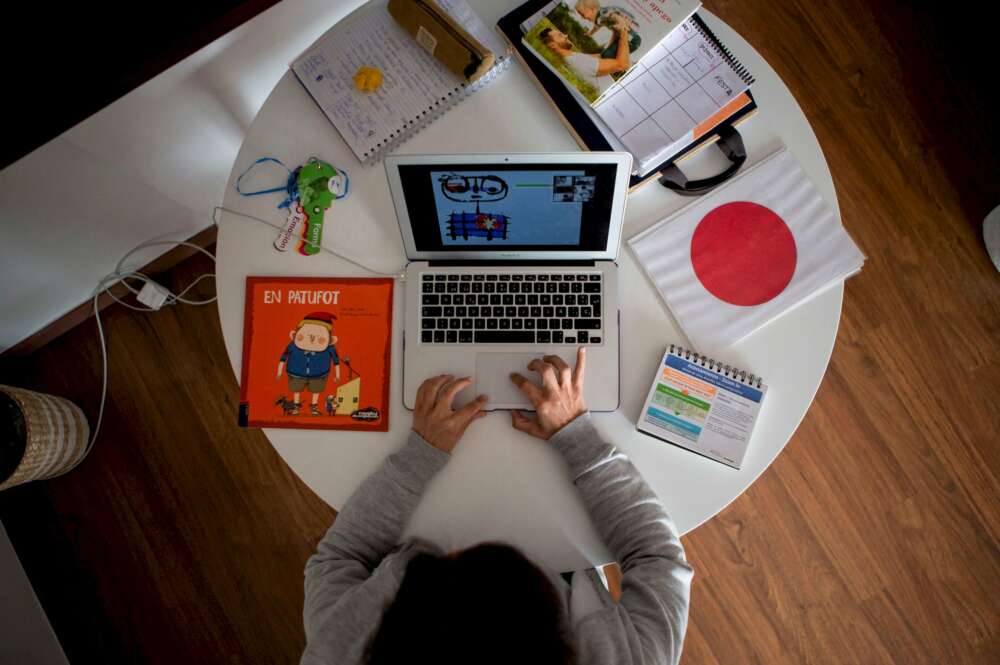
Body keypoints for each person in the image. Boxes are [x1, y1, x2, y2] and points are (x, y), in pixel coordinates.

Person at [300, 347, 693, 665]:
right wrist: (578, 438)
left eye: (441, 563)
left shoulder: (338, 651)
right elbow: (659, 557)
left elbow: (339, 558)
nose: (455, 547)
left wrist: (419, 456)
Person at [540, 24, 632, 93]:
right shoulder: (577, 61)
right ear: (552, 45)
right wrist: (624, 32)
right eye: (560, 35)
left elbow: (600, 56)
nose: (566, 35)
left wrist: (615, 34)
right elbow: (622, 64)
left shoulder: (572, 57)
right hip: (617, 94)